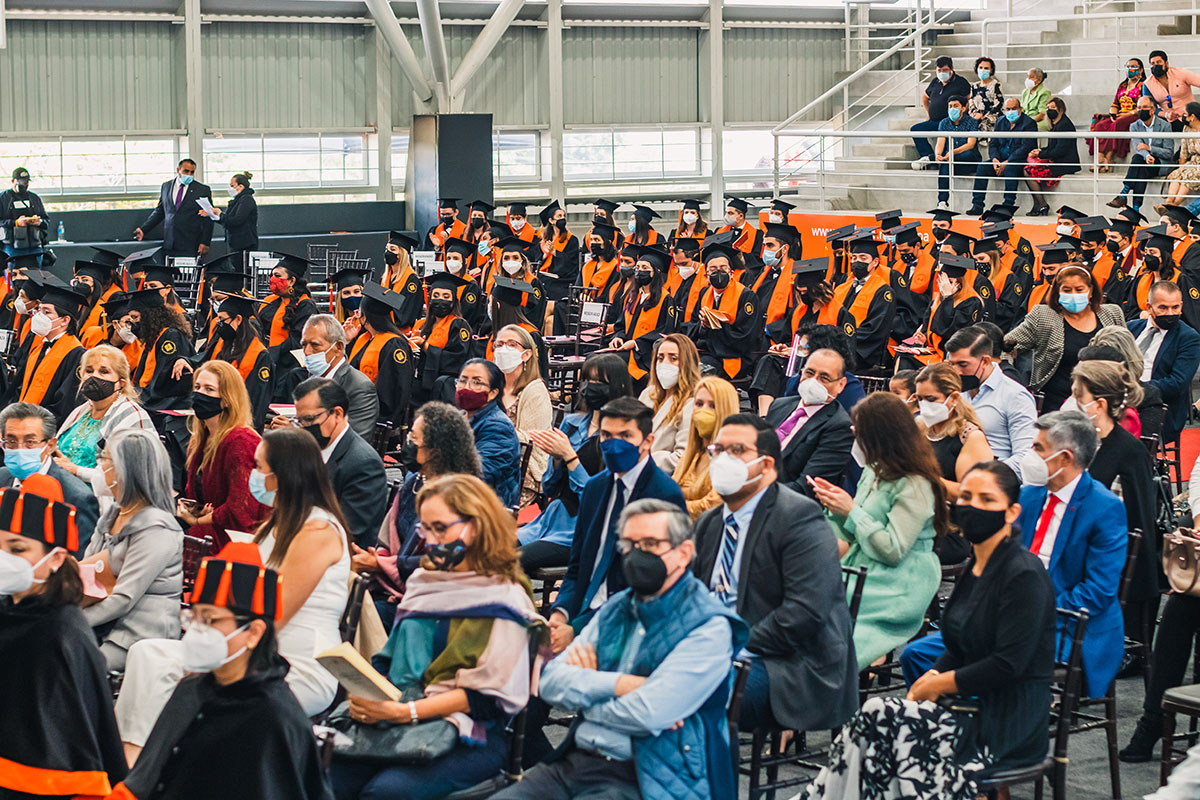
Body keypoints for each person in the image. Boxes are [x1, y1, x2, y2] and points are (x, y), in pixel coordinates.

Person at [811, 462, 1056, 798]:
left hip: (1007, 720)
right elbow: (958, 644)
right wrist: (931, 678)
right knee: (874, 715)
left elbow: (1008, 664)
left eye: (986, 499)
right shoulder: (977, 566)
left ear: (1012, 512)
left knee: (897, 739)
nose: (972, 506)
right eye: (966, 496)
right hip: (967, 706)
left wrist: (939, 682)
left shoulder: (1023, 574)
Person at [117, 427, 350, 763]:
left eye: (260, 468)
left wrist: (218, 655)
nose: (253, 476)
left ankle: (151, 766)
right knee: (145, 654)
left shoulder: (318, 531)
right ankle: (136, 762)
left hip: (292, 661)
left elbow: (275, 614)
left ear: (283, 475)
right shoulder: (280, 521)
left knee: (166, 671)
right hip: (247, 643)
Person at [492, 498, 746, 800]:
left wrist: (586, 694)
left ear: (683, 553)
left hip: (648, 772)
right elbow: (550, 683)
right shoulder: (616, 608)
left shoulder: (708, 626)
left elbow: (650, 713)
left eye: (650, 544)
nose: (638, 555)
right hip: (576, 761)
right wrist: (624, 685)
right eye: (629, 545)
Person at [331, 474, 539, 800]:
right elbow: (390, 660)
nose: (430, 541)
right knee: (326, 775)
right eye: (425, 529)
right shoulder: (424, 582)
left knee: (386, 793)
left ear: (478, 525)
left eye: (440, 528)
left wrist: (405, 712)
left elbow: (484, 698)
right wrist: (369, 694)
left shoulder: (506, 597)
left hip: (469, 732)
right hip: (400, 713)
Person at [109, 541, 333, 800]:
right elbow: (146, 780)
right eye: (194, 618)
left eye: (210, 620)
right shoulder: (191, 690)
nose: (196, 631)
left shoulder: (275, 718)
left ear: (253, 633)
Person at [694, 414, 858, 733]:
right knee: (634, 675)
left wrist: (729, 644)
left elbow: (804, 612)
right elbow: (692, 595)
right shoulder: (711, 523)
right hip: (716, 648)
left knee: (694, 696)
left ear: (767, 465)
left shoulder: (799, 517)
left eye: (737, 450)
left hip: (787, 663)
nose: (723, 460)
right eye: (718, 450)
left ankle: (710, 783)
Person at [0, 474, 129, 798]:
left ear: (56, 557)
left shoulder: (60, 635)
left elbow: (59, 747)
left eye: (16, 548)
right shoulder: (9, 609)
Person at [809, 392, 946, 670]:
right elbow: (850, 532)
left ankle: (838, 682)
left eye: (859, 429)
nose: (852, 433)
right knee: (803, 602)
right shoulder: (874, 471)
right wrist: (833, 507)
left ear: (880, 435)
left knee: (827, 628)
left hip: (899, 580)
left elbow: (893, 550)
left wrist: (851, 511)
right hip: (861, 565)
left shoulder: (915, 483)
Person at [548, 397, 686, 653]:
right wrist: (560, 613)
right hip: (583, 607)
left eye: (625, 436)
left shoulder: (664, 494)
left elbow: (651, 586)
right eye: (607, 436)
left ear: (647, 442)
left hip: (629, 622)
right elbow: (578, 565)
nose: (614, 445)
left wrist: (578, 629)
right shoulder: (595, 487)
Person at [354, 402, 480, 624]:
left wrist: (382, 565)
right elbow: (389, 541)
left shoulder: (458, 497)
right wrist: (378, 559)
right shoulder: (414, 481)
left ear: (436, 450)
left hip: (435, 601)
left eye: (414, 438)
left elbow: (445, 561)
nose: (407, 444)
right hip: (394, 583)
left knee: (355, 613)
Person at [1069, 360, 1159, 660]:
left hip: (1109, 563)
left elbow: (1129, 525)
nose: (1072, 402)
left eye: (1078, 396)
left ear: (1100, 403)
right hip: (1082, 547)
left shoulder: (1127, 452)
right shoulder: (1085, 442)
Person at [517, 354, 633, 572]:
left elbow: (598, 500)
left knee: (511, 561)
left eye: (600, 382)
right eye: (588, 380)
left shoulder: (620, 436)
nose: (591, 387)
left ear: (617, 387)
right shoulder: (572, 423)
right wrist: (556, 458)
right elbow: (550, 486)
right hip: (549, 521)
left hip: (582, 530)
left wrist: (570, 457)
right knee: (490, 550)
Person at [81, 429, 183, 671]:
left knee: (68, 668)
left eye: (105, 459)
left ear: (126, 469)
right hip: (105, 622)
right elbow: (86, 572)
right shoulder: (114, 512)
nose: (100, 465)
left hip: (137, 633)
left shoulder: (157, 528)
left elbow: (124, 598)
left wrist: (73, 621)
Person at [1004, 265, 1126, 410]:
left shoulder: (1112, 314)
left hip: (1104, 402)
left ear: (1091, 291)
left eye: (1079, 290)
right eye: (1067, 290)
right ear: (1057, 292)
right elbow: (1004, 346)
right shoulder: (1043, 316)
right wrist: (1010, 377)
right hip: (1056, 404)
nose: (1074, 294)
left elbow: (1127, 354)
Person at [179, 361, 269, 551]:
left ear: (227, 399)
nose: (200, 394)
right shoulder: (199, 440)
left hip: (235, 543)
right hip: (206, 536)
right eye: (197, 387)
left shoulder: (242, 442)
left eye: (209, 389)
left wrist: (198, 520)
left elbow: (242, 508)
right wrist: (194, 509)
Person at [292, 376, 387, 548]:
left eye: (309, 419)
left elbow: (348, 531)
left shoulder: (363, 464)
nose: (304, 427)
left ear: (337, 414)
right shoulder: (310, 449)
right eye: (300, 421)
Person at [0, 401, 100, 552]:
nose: (20, 449)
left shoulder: (76, 497)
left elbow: (76, 563)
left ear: (51, 445)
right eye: (11, 442)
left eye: (30, 442)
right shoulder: (1, 478)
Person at [54, 344, 154, 491]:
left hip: (100, 503)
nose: (94, 376)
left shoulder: (133, 417)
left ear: (121, 383)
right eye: (89, 371)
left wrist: (76, 471)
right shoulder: (80, 411)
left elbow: (131, 476)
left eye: (104, 371)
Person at [944, 326, 1036, 477]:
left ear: (985, 361)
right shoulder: (955, 391)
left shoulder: (1014, 396)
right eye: (951, 364)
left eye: (963, 364)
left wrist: (982, 477)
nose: (955, 371)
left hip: (990, 483)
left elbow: (1025, 457)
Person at [765, 347, 854, 499]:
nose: (813, 382)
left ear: (841, 384)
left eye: (824, 378)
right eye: (809, 373)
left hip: (785, 505)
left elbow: (807, 487)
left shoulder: (839, 426)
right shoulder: (779, 405)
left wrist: (754, 493)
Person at [278, 314, 378, 438]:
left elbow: (353, 439)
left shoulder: (359, 386)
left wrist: (296, 433)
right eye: (304, 345)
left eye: (315, 345)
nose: (307, 352)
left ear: (338, 347)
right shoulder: (309, 380)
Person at [1128, 280, 1200, 444]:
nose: (1170, 313)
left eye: (1175, 307)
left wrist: (1135, 391)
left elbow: (1177, 383)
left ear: (1181, 306)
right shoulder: (1130, 329)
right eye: (1163, 308)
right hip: (1120, 403)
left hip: (1159, 409)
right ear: (1148, 307)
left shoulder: (1188, 338)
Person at [913, 363, 994, 500]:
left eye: (931, 399)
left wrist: (923, 476)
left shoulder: (970, 437)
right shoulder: (921, 428)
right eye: (920, 399)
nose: (924, 405)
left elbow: (969, 494)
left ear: (954, 398)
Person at [16, 273, 87, 424]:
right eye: (39, 310)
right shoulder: (39, 348)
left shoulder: (76, 354)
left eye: (46, 312)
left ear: (64, 320)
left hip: (45, 430)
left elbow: (66, 403)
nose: (39, 316)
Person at [449, 358, 519, 509]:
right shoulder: (460, 418)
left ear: (493, 393)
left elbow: (480, 473)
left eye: (477, 382)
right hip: (456, 493)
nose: (467, 387)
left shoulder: (498, 426)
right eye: (462, 380)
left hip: (484, 507)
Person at [494, 324, 552, 500]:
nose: (504, 350)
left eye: (512, 345)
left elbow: (532, 439)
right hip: (489, 461)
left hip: (519, 474)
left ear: (526, 354)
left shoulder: (534, 390)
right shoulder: (492, 387)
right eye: (499, 345)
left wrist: (490, 429)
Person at [673, 375, 738, 521]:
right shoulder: (692, 455)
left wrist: (671, 507)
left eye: (713, 406)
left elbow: (711, 507)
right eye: (699, 404)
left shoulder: (732, 460)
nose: (703, 410)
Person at [637, 333, 698, 473]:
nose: (665, 364)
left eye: (673, 358)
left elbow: (683, 457)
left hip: (662, 477)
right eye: (660, 358)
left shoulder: (692, 403)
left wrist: (645, 459)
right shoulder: (647, 394)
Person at [969, 97, 1038, 214]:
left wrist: (1007, 162)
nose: (1011, 111)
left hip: (1018, 161)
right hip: (1000, 160)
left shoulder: (1029, 123)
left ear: (1020, 109)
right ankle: (977, 205)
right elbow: (993, 144)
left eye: (1014, 108)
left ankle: (1008, 205)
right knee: (982, 167)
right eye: (1008, 109)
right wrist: (995, 159)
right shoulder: (1000, 121)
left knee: (1010, 168)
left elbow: (1026, 147)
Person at [134, 159, 214, 258]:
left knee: (187, 273)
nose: (189, 174)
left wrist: (205, 242)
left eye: (192, 172)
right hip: (170, 242)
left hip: (191, 243)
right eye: (186, 171)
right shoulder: (166, 187)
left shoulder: (202, 190)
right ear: (178, 170)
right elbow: (160, 211)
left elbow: (208, 217)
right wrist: (143, 229)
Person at [1109, 95, 1175, 210]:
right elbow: (1138, 147)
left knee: (1138, 162)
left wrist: (1150, 149)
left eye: (1144, 107)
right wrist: (1148, 155)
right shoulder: (1134, 126)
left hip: (1160, 164)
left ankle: (1124, 193)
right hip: (1145, 162)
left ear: (1153, 109)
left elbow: (1169, 153)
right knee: (1139, 163)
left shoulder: (1165, 126)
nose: (1141, 110)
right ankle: (1135, 208)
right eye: (1139, 107)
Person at [911, 56, 974, 170]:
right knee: (915, 129)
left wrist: (962, 115)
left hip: (949, 122)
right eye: (939, 70)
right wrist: (929, 114)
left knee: (945, 140)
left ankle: (933, 158)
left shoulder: (960, 82)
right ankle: (928, 157)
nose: (941, 73)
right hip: (934, 121)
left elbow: (969, 100)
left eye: (944, 70)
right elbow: (925, 98)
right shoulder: (935, 82)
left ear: (951, 69)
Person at [1023, 96, 1080, 215]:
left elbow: (1060, 150)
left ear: (1060, 109)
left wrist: (1041, 154)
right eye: (1048, 107)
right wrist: (1039, 151)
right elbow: (1053, 147)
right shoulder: (1056, 125)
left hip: (1065, 163)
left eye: (1053, 107)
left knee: (1028, 170)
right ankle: (1039, 204)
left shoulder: (1064, 125)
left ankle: (1041, 204)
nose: (1050, 110)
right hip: (1057, 161)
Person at [258, 252, 318, 352]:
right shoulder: (269, 301)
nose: (272, 279)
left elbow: (297, 341)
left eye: (277, 276)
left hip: (288, 361)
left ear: (291, 281)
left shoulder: (305, 305)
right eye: (271, 275)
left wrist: (273, 353)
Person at [933, 95, 981, 210]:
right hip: (951, 159)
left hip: (968, 159)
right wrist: (938, 155)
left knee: (965, 155)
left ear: (963, 108)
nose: (952, 109)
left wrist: (952, 153)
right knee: (945, 164)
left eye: (955, 106)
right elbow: (940, 142)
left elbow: (971, 144)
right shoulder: (944, 123)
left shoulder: (972, 122)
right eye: (950, 106)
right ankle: (942, 201)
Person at [199, 171, 259, 259]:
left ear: (241, 186)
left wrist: (219, 213)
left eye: (232, 186)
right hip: (236, 243)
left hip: (244, 244)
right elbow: (228, 220)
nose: (230, 188)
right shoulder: (238, 200)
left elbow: (236, 220)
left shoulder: (246, 200)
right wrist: (213, 215)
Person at [0, 166, 49, 261]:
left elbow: (46, 220)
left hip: (35, 247)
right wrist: (16, 223)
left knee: (37, 274)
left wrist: (39, 222)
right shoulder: (3, 199)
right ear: (13, 181)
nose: (24, 184)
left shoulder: (34, 198)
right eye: (21, 181)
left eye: (26, 182)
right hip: (11, 248)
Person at [1143, 49, 1200, 128]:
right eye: (1153, 63)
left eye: (1159, 62)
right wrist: (1165, 114)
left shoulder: (1181, 73)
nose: (1156, 65)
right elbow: (1149, 107)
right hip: (1168, 119)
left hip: (1190, 116)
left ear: (1166, 63)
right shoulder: (1147, 84)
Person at [1164, 102, 1200, 205]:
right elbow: (1183, 152)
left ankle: (1174, 205)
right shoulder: (1186, 129)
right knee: (1177, 175)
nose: (1182, 116)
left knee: (1188, 175)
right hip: (1192, 162)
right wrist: (1182, 168)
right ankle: (1168, 202)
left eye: (1185, 114)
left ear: (1192, 117)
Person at [967, 56, 1004, 132]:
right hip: (976, 120)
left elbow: (999, 104)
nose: (982, 70)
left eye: (986, 68)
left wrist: (984, 116)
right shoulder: (974, 86)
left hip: (991, 121)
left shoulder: (996, 85)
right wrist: (975, 114)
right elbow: (971, 103)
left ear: (991, 70)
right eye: (980, 67)